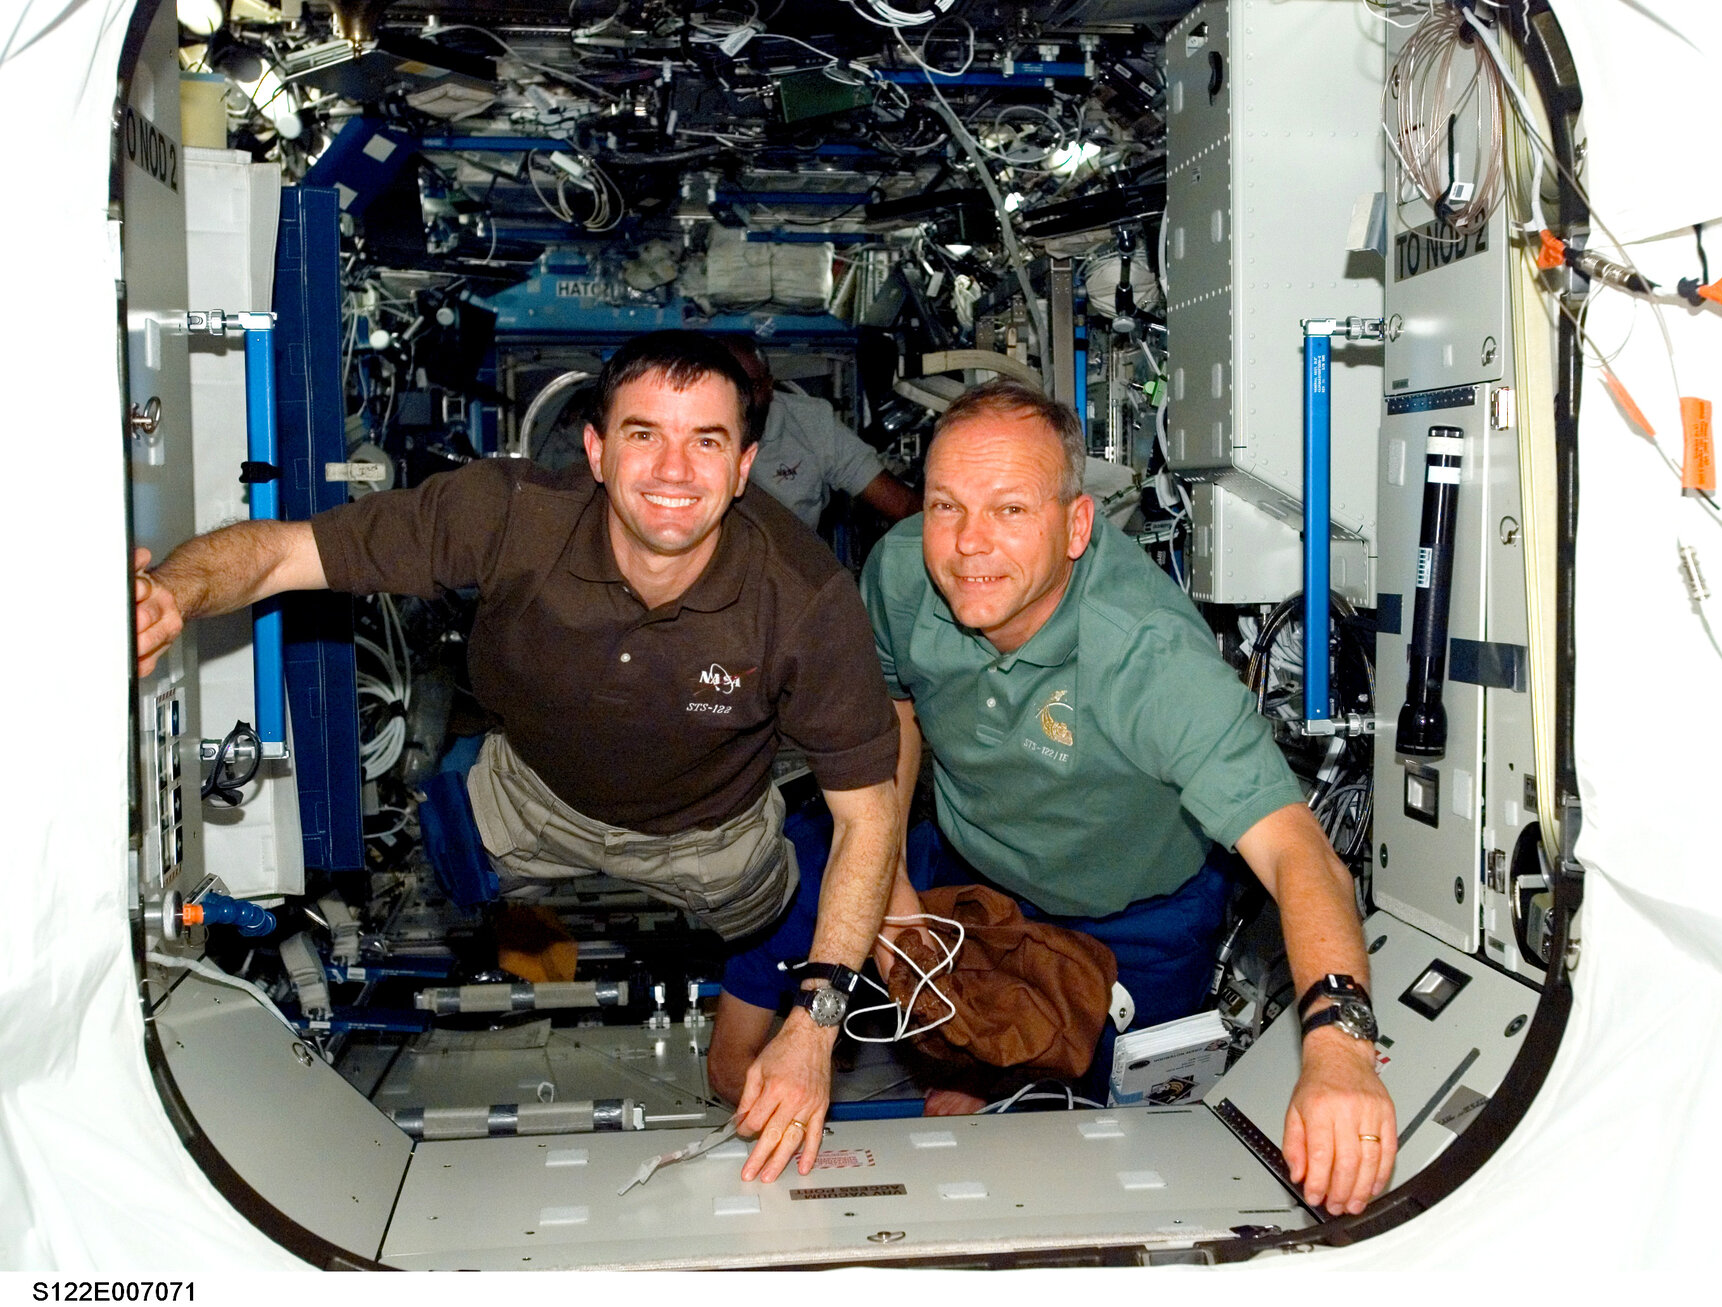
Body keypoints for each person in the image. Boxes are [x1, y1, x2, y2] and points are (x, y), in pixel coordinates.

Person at [131, 331, 900, 1186]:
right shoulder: (506, 515)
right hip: (533, 794)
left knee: (766, 914)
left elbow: (869, 812)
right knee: (459, 857)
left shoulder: (804, 598)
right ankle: (513, 906)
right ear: (598, 451)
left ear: (745, 463)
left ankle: (746, 928)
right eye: (646, 434)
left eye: (706, 441)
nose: (674, 469)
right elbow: (283, 551)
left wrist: (815, 1022)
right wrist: (172, 592)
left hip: (712, 833)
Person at [719, 378, 1397, 1217]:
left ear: (1077, 526)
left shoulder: (1146, 657)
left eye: (1010, 510)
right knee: (829, 890)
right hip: (981, 872)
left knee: (1118, 1143)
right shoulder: (901, 575)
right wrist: (889, 881)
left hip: (1138, 916)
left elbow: (1301, 853)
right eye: (946, 507)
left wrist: (1340, 1049)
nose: (969, 545)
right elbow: (891, 704)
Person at [719, 337, 919, 530]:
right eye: (731, 387)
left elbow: (900, 503)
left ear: (769, 386)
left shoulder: (812, 422)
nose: (742, 401)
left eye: (752, 387)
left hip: (791, 558)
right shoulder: (691, 428)